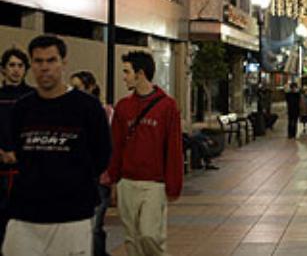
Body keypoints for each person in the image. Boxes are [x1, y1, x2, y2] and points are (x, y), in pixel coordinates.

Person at [1, 35, 111, 256]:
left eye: (51, 60)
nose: (45, 68)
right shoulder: (22, 108)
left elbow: (102, 154)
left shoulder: (87, 108)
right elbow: (18, 149)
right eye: (38, 61)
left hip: (72, 215)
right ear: (32, 65)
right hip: (25, 213)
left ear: (63, 62)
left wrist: (74, 182)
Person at [108, 51, 183, 256]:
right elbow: (116, 145)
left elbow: (174, 147)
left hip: (154, 184)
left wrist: (174, 184)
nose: (124, 77)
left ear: (140, 73)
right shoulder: (123, 107)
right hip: (127, 182)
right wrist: (114, 180)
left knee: (149, 235)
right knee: (131, 239)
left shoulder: (167, 106)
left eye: (127, 72)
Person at [70, 70, 113, 256]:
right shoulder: (68, 113)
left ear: (90, 88)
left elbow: (108, 146)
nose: (73, 91)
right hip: (76, 178)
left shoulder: (104, 112)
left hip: (99, 177)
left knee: (95, 226)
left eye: (77, 87)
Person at [0, 48, 34, 252]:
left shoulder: (33, 97)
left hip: (26, 172)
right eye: (11, 65)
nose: (16, 70)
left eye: (20, 65)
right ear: (3, 69)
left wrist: (20, 153)